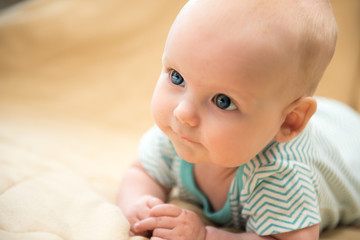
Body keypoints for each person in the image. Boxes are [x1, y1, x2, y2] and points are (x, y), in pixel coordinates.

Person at [117, 0, 360, 239]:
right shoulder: (179, 132)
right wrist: (139, 206)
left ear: (288, 122)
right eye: (177, 77)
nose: (183, 112)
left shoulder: (280, 175)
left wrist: (205, 235)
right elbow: (143, 171)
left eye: (223, 101)